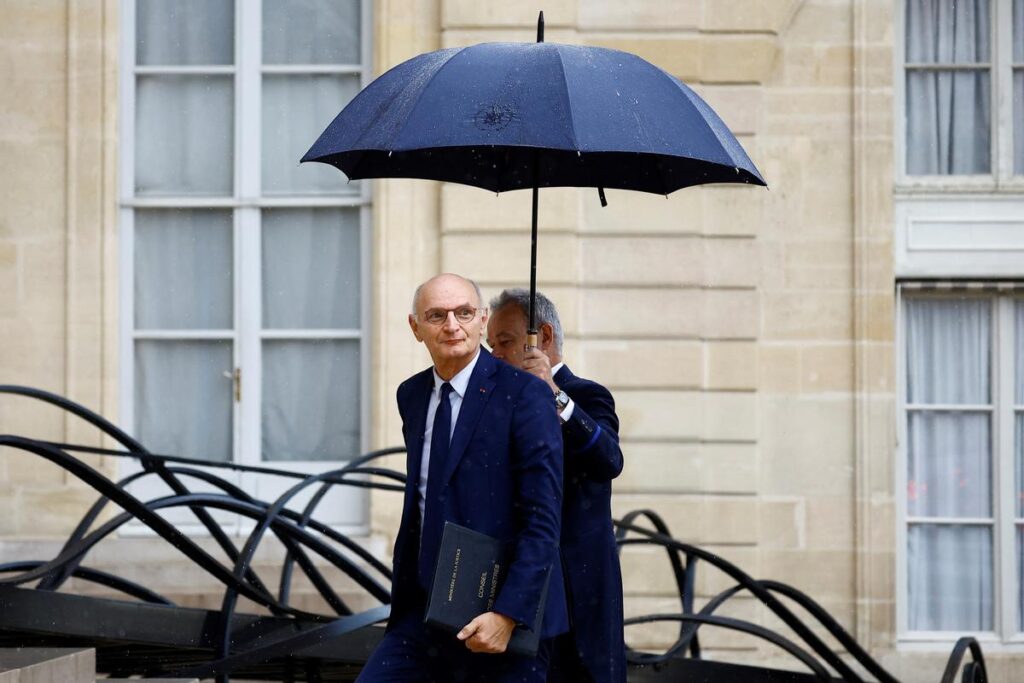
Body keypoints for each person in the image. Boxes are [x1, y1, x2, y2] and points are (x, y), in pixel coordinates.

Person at [357, 274, 568, 682]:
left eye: (464, 313)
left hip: (503, 615)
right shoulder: (411, 395)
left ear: (482, 319)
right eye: (437, 315)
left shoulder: (525, 393)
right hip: (423, 614)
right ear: (415, 327)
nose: (452, 325)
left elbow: (543, 517)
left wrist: (507, 614)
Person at [486, 288, 626, 683]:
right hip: (523, 586)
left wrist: (554, 395)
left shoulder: (586, 394)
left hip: (579, 584)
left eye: (505, 342)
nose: (494, 355)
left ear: (543, 338)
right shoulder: (501, 405)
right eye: (491, 345)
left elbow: (609, 460)